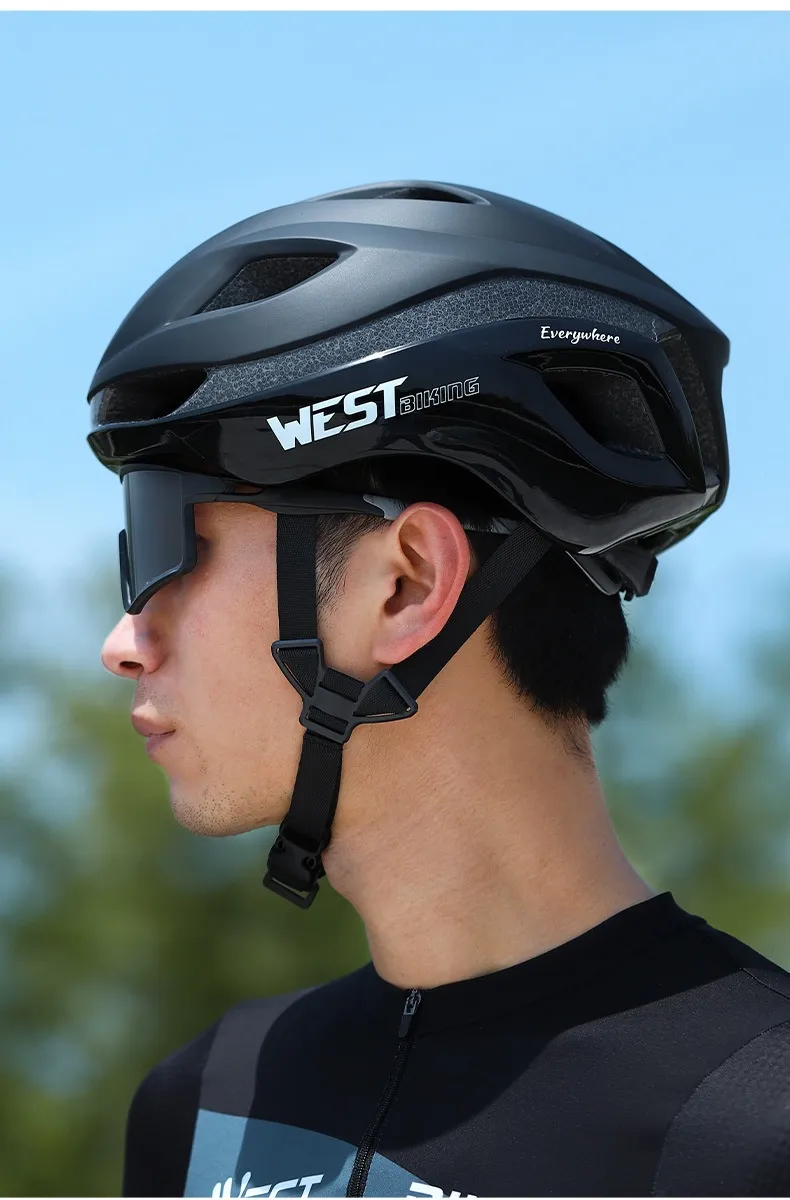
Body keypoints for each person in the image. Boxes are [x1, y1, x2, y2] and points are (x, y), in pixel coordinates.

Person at [93, 181, 790, 1199]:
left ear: (408, 584)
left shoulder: (759, 1135)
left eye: (172, 547)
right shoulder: (202, 1107)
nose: (122, 642)